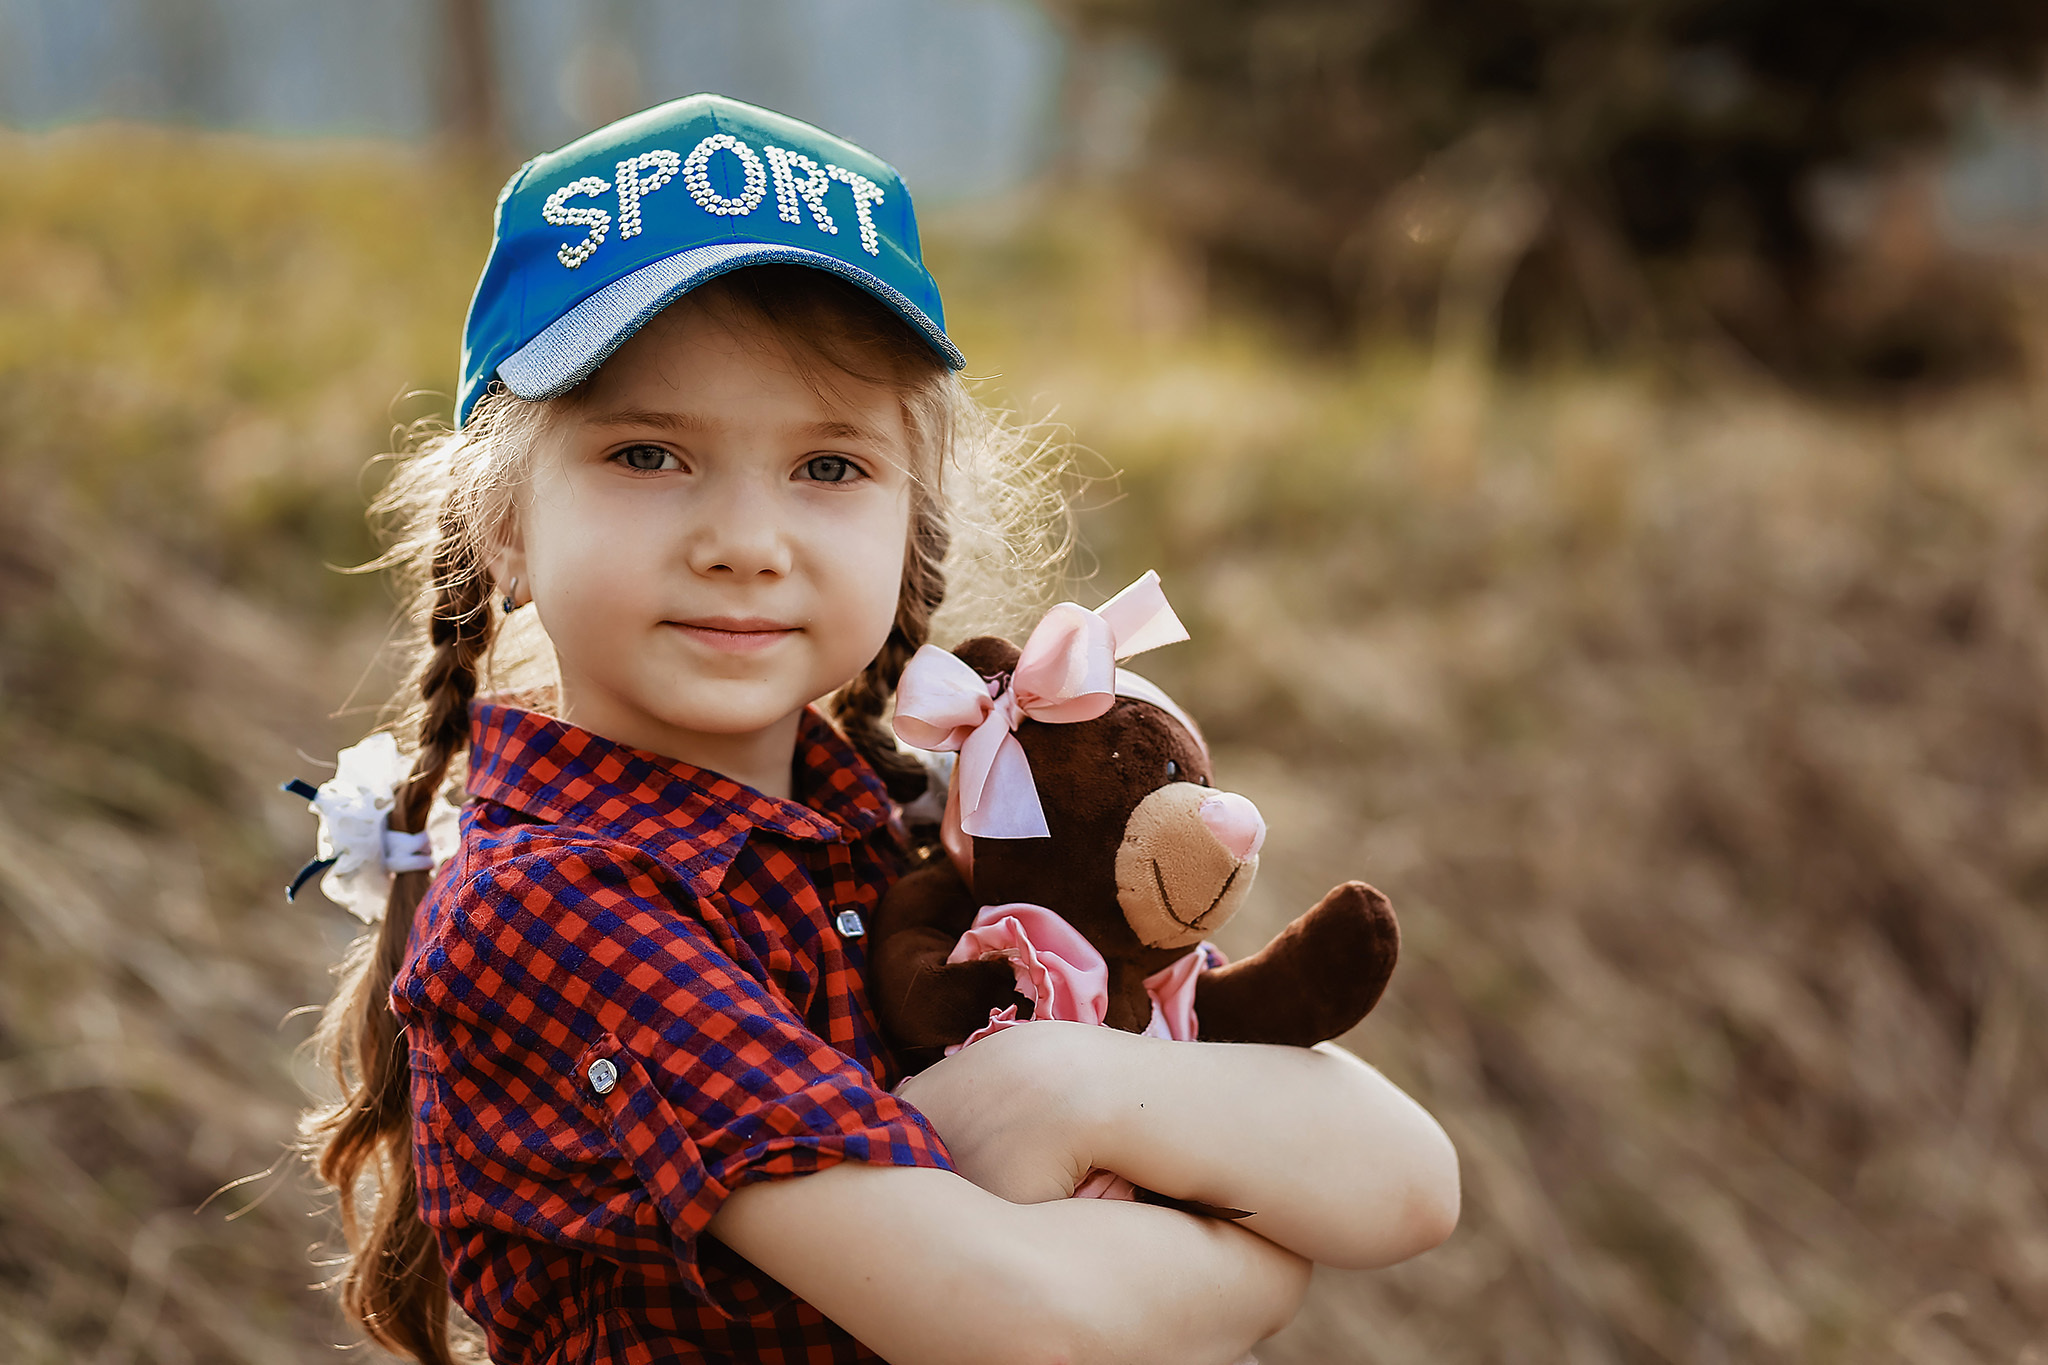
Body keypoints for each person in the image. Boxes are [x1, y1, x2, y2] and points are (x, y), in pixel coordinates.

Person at [297, 93, 1459, 1365]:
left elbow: (1403, 1185)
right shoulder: (555, 907)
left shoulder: (923, 821)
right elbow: (1032, 1328)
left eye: (828, 468)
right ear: (503, 524)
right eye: (645, 455)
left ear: (909, 527)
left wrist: (1051, 1089)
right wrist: (1252, 1252)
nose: (744, 543)